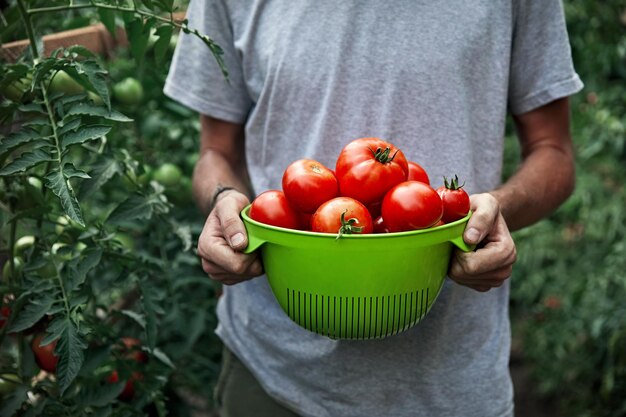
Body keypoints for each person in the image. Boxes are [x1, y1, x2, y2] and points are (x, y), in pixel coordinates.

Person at [164, 0, 583, 415]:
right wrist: (223, 201)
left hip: (451, 381)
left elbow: (554, 153)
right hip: (273, 374)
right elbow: (215, 152)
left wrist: (494, 212)